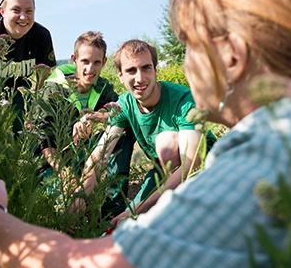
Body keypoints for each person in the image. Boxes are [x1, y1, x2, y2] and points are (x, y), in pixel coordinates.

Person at [0, 0, 291, 268]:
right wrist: (79, 191)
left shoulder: (267, 161)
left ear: (231, 57)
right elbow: (103, 149)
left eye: (187, 43)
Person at [71, 39, 217, 223]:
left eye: (146, 68)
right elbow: (100, 154)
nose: (140, 78)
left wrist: (140, 209)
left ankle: (184, 215)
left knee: (166, 142)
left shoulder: (183, 99)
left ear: (156, 70)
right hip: (166, 171)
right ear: (120, 76)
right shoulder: (125, 104)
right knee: (129, 217)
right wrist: (80, 197)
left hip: (208, 168)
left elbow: (192, 165)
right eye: (131, 70)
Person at [38, 31, 134, 219]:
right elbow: (43, 141)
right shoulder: (52, 90)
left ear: (104, 62)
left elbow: (118, 111)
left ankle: (111, 214)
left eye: (97, 62)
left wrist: (95, 117)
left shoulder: (103, 88)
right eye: (85, 61)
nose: (91, 69)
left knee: (122, 132)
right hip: (54, 162)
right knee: (69, 209)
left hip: (83, 157)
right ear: (74, 60)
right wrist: (65, 175)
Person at [0, 0, 57, 134]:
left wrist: (35, 108)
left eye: (29, 11)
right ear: (2, 11)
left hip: (22, 99)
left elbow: (44, 77)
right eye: (16, 10)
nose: (23, 17)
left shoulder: (41, 36)